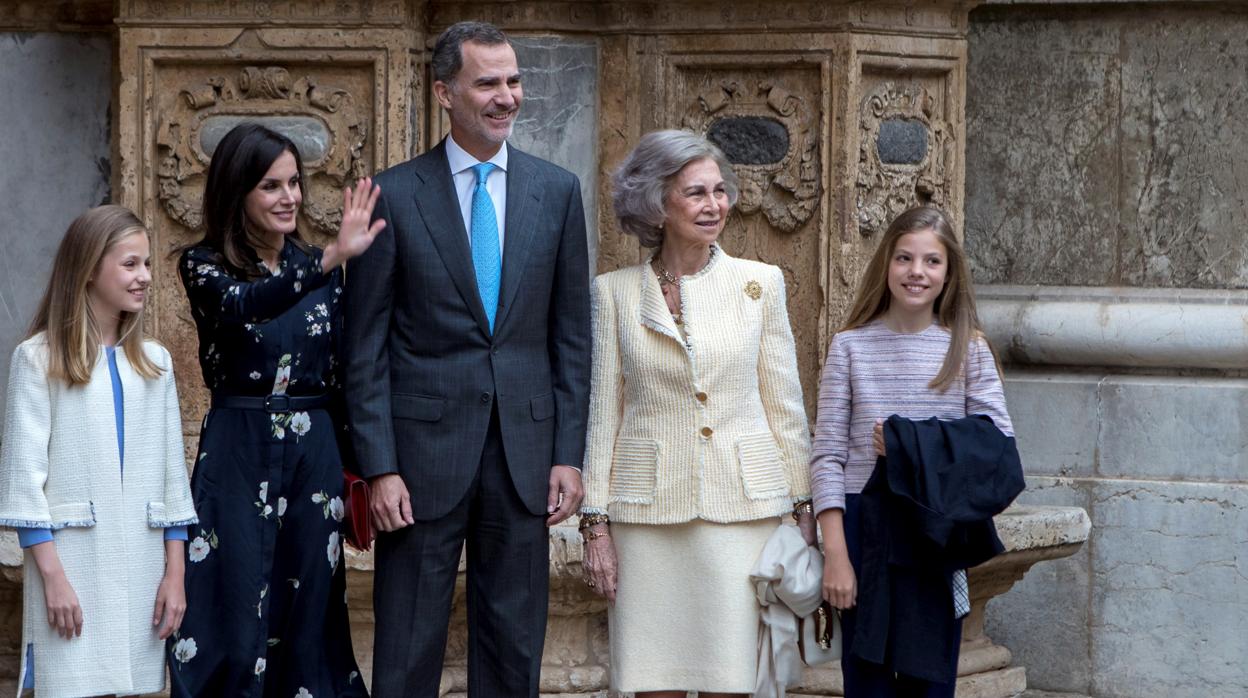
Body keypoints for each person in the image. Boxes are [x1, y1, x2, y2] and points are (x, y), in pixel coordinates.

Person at [342, 20, 591, 698]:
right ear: (445, 92)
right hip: (418, 464)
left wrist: (568, 454)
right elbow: (363, 347)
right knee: (405, 648)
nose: (505, 96)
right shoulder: (392, 194)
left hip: (524, 457)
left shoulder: (557, 191)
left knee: (514, 650)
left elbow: (571, 338)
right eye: (488, 83)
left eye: (513, 81)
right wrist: (380, 466)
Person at [578, 129, 816, 698]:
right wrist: (596, 523)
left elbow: (784, 404)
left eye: (720, 191)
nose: (715, 206)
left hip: (743, 513)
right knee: (651, 683)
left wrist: (804, 505)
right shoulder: (612, 292)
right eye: (696, 193)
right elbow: (603, 413)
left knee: (731, 683)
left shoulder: (760, 284)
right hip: (647, 516)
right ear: (657, 205)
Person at [168, 123, 385, 697]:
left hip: (313, 454)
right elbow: (247, 306)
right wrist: (330, 258)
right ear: (238, 192)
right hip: (238, 450)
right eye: (270, 186)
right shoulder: (204, 265)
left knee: (311, 613)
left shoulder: (322, 270)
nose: (289, 197)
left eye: (294, 183)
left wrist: (361, 472)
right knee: (232, 608)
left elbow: (342, 375)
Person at [809, 205, 1015, 696]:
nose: (916, 272)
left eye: (931, 261)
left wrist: (908, 443)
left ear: (949, 273)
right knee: (867, 681)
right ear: (886, 264)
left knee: (930, 683)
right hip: (866, 529)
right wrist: (835, 552)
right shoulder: (850, 346)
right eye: (904, 258)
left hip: (934, 533)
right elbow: (828, 455)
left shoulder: (968, 348)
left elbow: (998, 450)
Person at [0, 205, 197, 697]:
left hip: (143, 567)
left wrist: (175, 575)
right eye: (130, 264)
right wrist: (52, 578)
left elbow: (174, 479)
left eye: (147, 264)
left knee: (130, 687)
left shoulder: (155, 363)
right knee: (68, 684)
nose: (145, 277)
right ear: (89, 269)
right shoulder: (38, 359)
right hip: (72, 566)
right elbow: (23, 481)